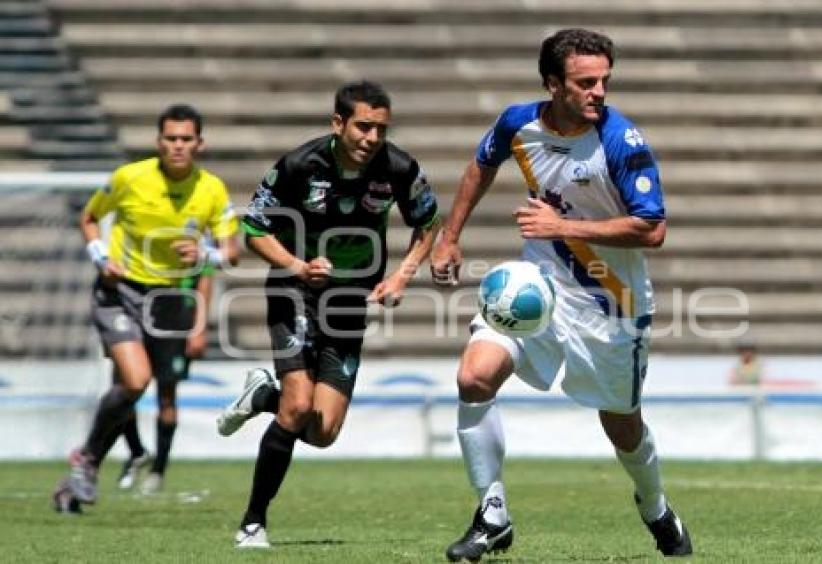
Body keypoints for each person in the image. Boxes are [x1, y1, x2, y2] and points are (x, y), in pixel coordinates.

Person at [430, 28, 692, 560]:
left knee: (622, 425)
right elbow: (481, 163)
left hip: (611, 305)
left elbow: (653, 230)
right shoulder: (517, 123)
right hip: (540, 289)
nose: (598, 91)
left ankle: (656, 505)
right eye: (585, 82)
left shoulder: (621, 140)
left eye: (604, 81)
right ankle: (492, 515)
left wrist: (563, 228)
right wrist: (450, 236)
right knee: (472, 376)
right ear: (553, 85)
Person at [214, 80, 440, 549]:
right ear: (339, 123)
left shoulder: (398, 167)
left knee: (322, 431)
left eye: (380, 128)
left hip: (348, 303)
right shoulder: (300, 164)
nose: (372, 138)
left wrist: (401, 276)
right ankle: (253, 522)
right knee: (296, 406)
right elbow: (254, 228)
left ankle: (261, 398)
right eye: (363, 127)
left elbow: (427, 223)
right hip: (293, 290)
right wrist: (297, 265)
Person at [52, 103, 240, 513]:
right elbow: (89, 217)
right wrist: (102, 256)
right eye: (170, 138)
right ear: (158, 142)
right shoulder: (129, 178)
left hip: (171, 301)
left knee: (151, 390)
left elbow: (232, 252)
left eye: (186, 139)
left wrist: (205, 253)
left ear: (199, 144)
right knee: (136, 381)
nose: (178, 146)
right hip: (120, 291)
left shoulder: (211, 189)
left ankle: (86, 463)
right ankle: (91, 460)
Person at [115, 267, 214, 494]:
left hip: (177, 315)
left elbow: (206, 276)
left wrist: (199, 327)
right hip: (137, 309)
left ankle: (158, 470)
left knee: (167, 396)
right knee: (125, 388)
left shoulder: (194, 235)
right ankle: (137, 451)